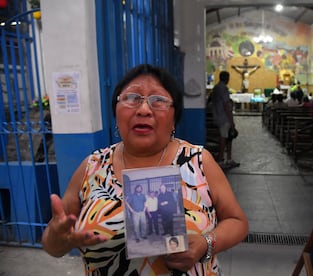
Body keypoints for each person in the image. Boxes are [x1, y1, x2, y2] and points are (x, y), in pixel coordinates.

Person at [41, 64, 248, 275]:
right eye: (132, 98)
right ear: (115, 112)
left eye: (158, 100)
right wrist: (57, 239)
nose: (143, 110)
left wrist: (206, 243)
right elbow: (53, 244)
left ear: (174, 118)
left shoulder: (198, 161)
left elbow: (237, 222)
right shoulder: (92, 167)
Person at [210, 71, 240, 169]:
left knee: (228, 138)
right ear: (226, 78)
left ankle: (229, 159)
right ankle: (221, 160)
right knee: (224, 138)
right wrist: (232, 121)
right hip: (223, 118)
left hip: (218, 115)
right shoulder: (223, 88)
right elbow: (227, 106)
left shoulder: (216, 87)